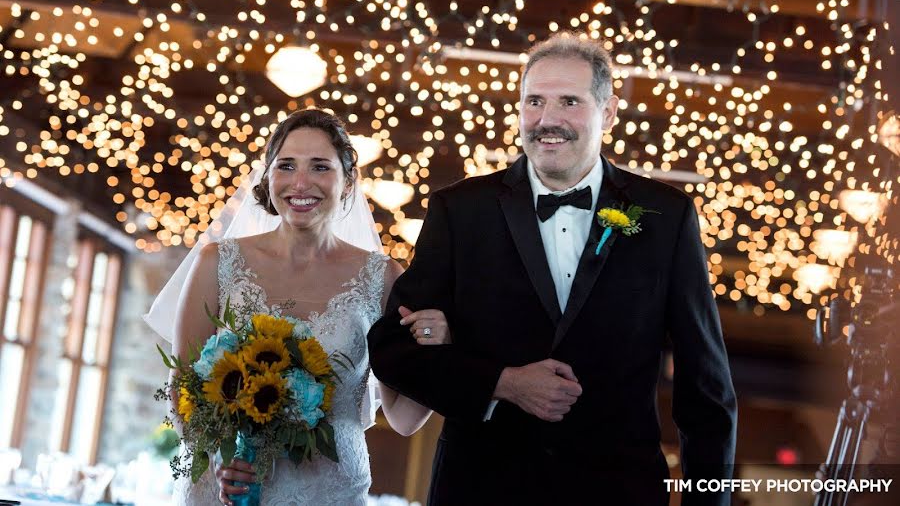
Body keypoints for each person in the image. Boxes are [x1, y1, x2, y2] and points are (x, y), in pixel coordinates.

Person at [367, 33, 738, 505]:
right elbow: (391, 349)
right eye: (534, 102)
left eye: (569, 101)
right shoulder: (460, 210)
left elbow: (706, 388)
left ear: (608, 112)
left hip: (617, 492)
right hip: (481, 489)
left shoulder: (668, 216)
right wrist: (502, 383)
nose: (548, 120)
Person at [148, 109, 449, 505]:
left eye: (320, 167)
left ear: (346, 183)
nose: (300, 183)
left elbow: (404, 419)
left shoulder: (384, 278)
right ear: (268, 177)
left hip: (330, 489)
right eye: (286, 166)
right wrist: (220, 458)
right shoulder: (217, 263)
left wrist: (437, 350)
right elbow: (183, 385)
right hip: (231, 486)